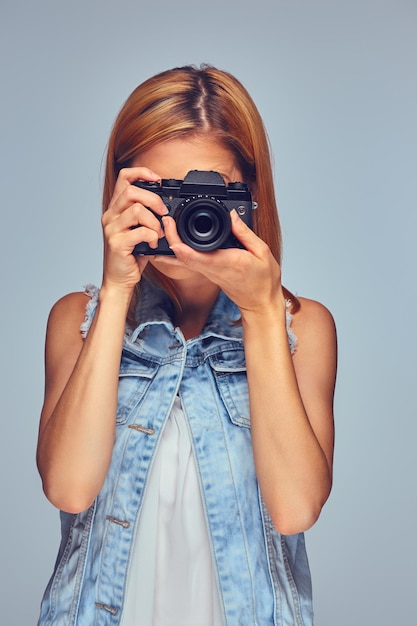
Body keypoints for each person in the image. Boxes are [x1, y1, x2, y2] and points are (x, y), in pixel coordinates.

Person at [36, 65, 337, 626]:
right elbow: (68, 488)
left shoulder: (301, 328)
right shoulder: (77, 320)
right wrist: (118, 287)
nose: (183, 220)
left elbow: (296, 510)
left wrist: (262, 311)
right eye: (162, 193)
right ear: (121, 189)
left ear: (250, 191)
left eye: (206, 195)